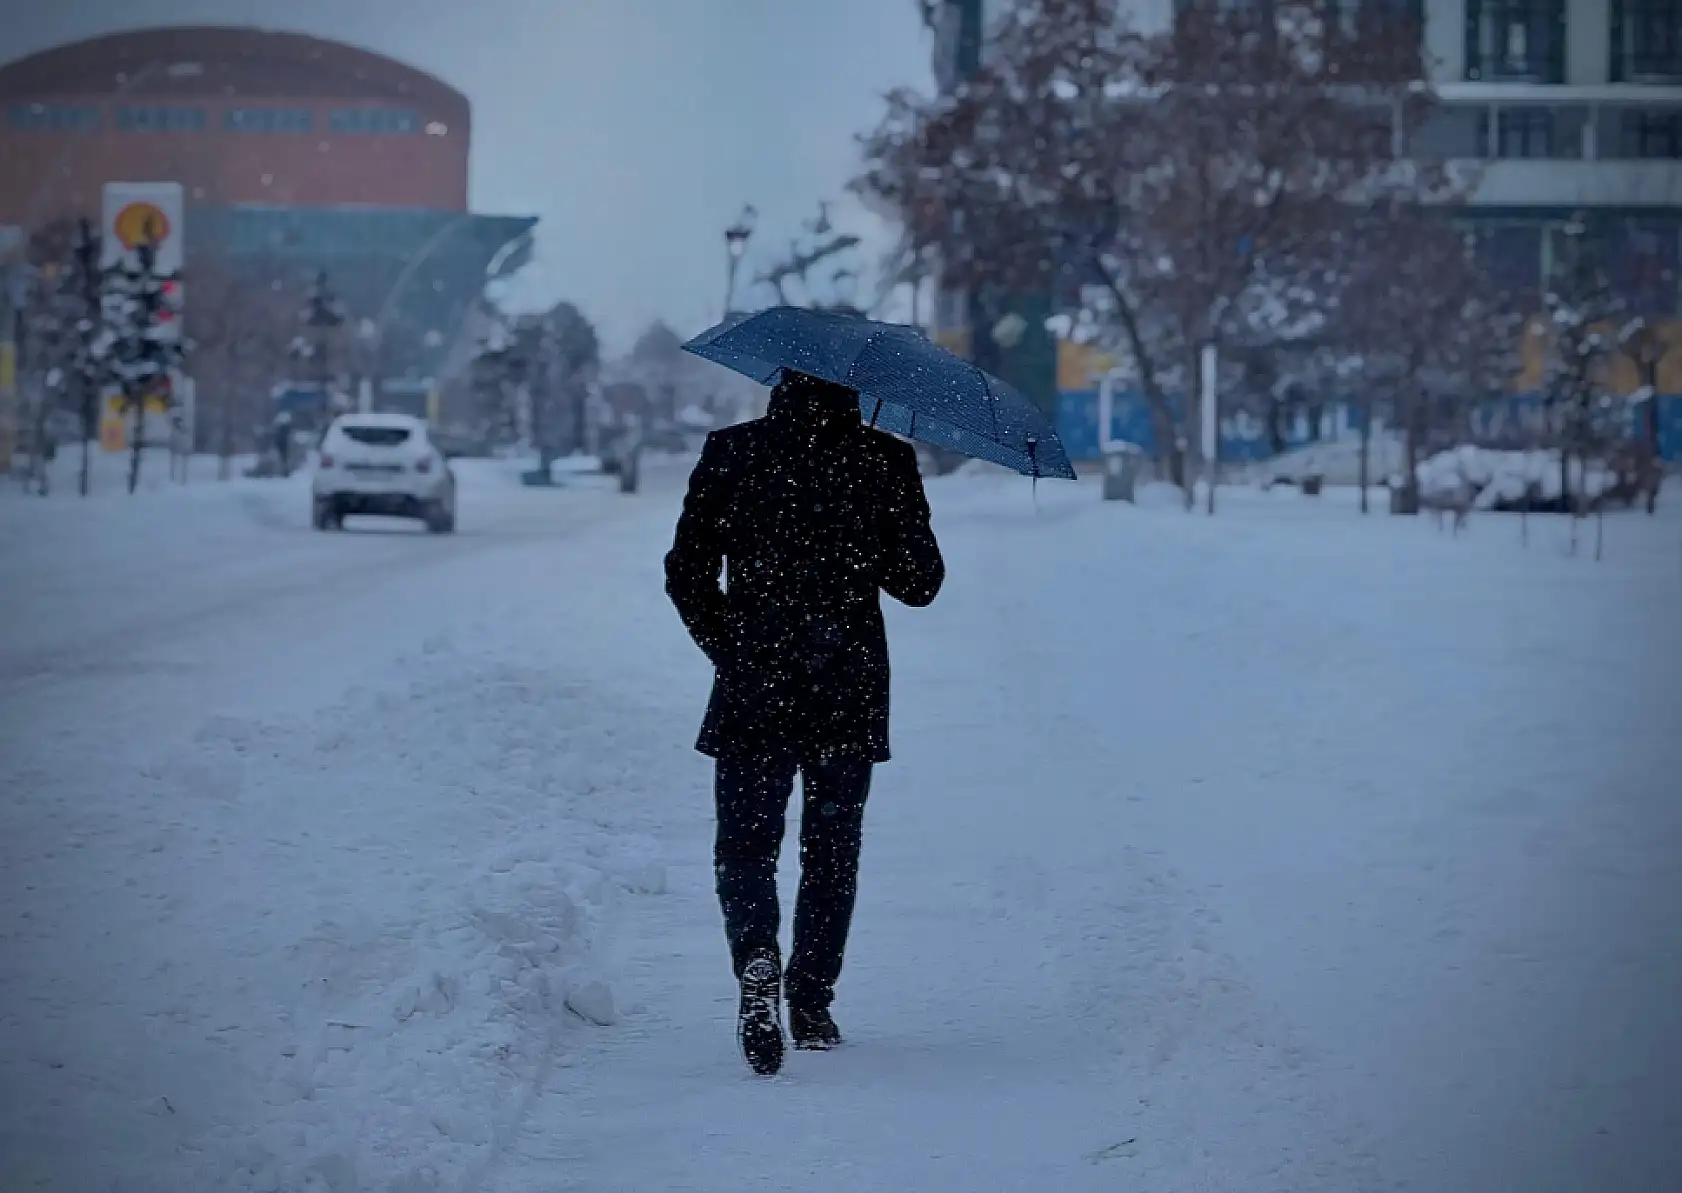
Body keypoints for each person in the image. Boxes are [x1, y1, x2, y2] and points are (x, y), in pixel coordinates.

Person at [664, 369, 944, 1076]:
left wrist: (728, 646)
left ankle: (756, 950)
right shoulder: (884, 460)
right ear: (856, 385)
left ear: (779, 382)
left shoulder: (734, 451)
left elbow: (685, 569)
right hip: (845, 682)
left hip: (757, 680)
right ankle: (811, 1001)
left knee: (746, 847)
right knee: (831, 850)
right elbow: (922, 583)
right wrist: (865, 532)